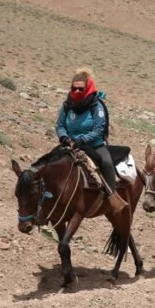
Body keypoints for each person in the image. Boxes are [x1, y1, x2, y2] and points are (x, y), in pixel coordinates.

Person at [56, 67, 126, 213]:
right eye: (73, 88)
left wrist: (82, 140)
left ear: (87, 88)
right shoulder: (67, 105)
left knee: (106, 162)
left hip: (94, 145)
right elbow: (60, 125)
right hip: (70, 144)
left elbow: (99, 130)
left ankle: (112, 196)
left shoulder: (96, 105)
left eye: (80, 89)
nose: (76, 92)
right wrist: (63, 137)